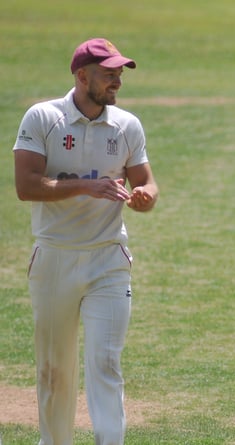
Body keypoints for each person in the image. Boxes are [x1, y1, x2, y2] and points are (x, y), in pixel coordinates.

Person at [13, 38, 159, 445]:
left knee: (105, 362)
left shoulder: (127, 125)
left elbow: (145, 180)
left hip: (108, 258)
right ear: (81, 76)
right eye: (108, 72)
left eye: (119, 73)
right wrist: (85, 187)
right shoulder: (43, 118)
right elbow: (26, 185)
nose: (116, 80)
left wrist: (146, 196)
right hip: (55, 258)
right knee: (54, 369)